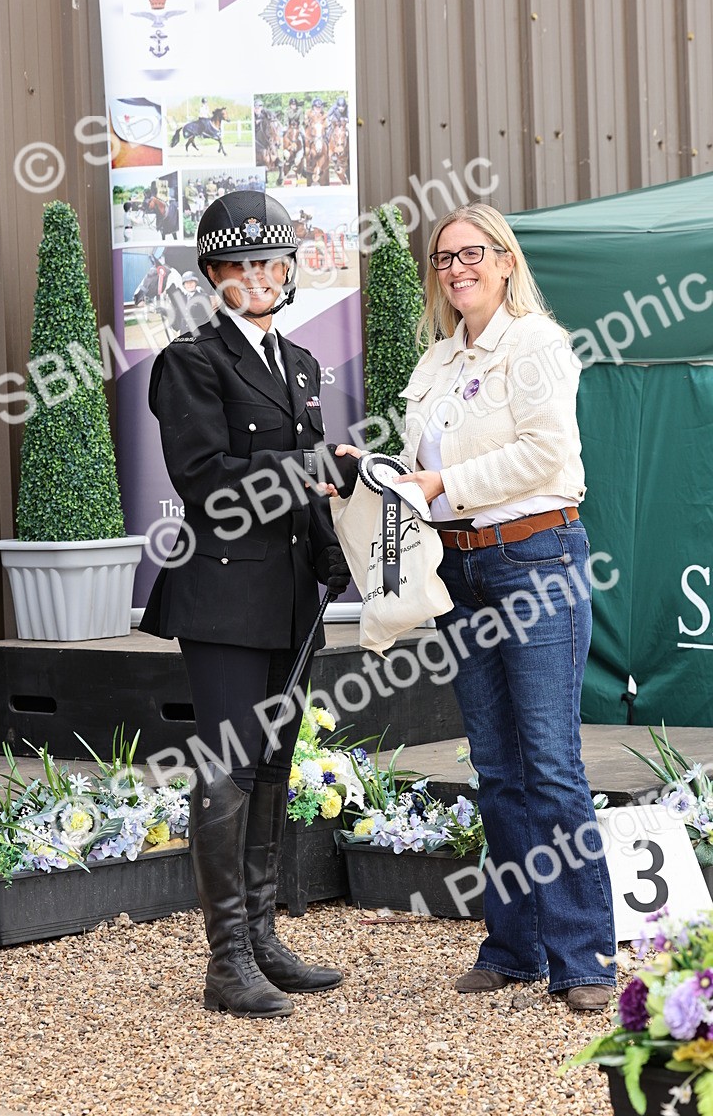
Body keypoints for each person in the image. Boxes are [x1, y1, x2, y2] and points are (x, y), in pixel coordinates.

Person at [333, 202, 616, 1012]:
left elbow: (546, 454)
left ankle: (585, 959)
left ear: (504, 259)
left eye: (471, 253)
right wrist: (375, 473)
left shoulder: (537, 345)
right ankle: (514, 949)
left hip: (536, 558)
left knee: (550, 764)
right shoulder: (436, 360)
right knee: (495, 767)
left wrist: (440, 483)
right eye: (444, 258)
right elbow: (426, 469)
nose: (456, 269)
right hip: (460, 566)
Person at [141, 191, 358, 1019]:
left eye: (272, 262)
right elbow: (205, 483)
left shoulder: (297, 362)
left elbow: (308, 486)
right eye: (241, 265)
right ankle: (226, 961)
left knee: (271, 766)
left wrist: (333, 547)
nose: (260, 277)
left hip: (290, 596)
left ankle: (263, 938)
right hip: (225, 596)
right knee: (228, 771)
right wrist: (311, 469)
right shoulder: (190, 362)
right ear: (213, 277)